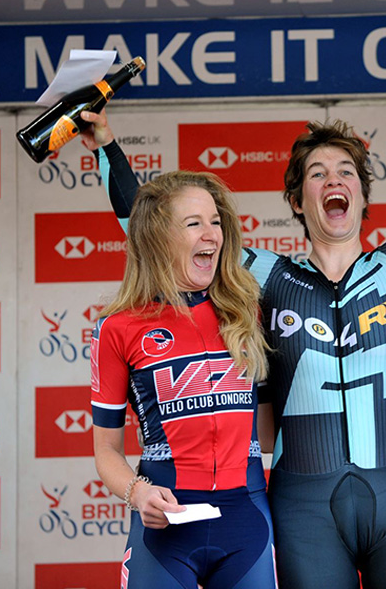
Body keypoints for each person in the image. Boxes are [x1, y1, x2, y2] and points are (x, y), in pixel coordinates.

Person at [81, 20, 386, 588]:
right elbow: (153, 224)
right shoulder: (265, 275)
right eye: (318, 173)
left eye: (347, 172)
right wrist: (106, 144)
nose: (335, 180)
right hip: (303, 506)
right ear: (297, 199)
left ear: (361, 195)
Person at [90, 171, 277, 587]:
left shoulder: (247, 312)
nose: (212, 234)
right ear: (159, 238)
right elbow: (106, 450)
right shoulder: (118, 327)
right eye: (194, 223)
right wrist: (138, 493)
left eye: (216, 221)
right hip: (164, 526)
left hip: (246, 520)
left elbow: (272, 429)